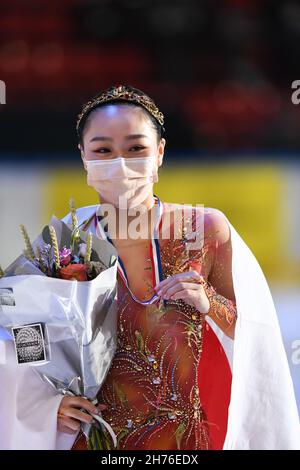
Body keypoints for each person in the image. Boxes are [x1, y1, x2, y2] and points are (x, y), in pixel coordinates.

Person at [0, 84, 299, 450]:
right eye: (103, 150)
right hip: (95, 437)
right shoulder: (67, 241)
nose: (120, 163)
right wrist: (45, 403)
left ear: (159, 153)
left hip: (185, 441)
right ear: (84, 158)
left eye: (136, 148)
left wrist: (210, 303)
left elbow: (258, 336)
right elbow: (19, 329)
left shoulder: (203, 229)